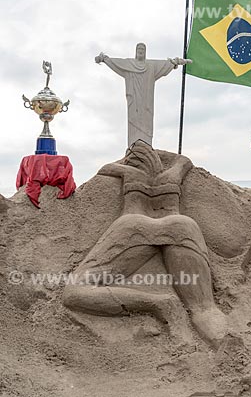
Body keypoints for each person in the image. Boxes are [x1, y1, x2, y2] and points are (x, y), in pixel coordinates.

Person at [63, 140, 227, 348]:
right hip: (180, 224)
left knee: (76, 291)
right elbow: (185, 161)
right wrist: (174, 165)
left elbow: (105, 169)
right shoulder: (172, 174)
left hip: (133, 226)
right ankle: (225, 350)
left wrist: (123, 166)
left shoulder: (130, 173)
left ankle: (158, 303)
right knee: (204, 308)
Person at [95, 43, 191, 146]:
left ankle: (146, 146)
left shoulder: (151, 66)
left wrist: (178, 61)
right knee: (133, 121)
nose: (141, 50)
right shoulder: (129, 64)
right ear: (136, 51)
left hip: (146, 103)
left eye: (143, 49)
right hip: (134, 102)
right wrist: (104, 59)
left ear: (145, 52)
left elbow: (166, 64)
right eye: (139, 48)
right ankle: (134, 147)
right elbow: (116, 63)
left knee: (146, 122)